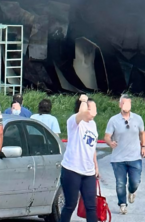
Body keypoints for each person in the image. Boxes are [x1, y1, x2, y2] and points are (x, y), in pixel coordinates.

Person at [104, 94, 145, 215]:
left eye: (128, 103)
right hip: (118, 158)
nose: (125, 105)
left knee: (135, 181)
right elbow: (107, 136)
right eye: (123, 103)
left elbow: (142, 133)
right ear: (120, 105)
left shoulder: (138, 119)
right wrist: (110, 142)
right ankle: (122, 204)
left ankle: (132, 191)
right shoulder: (113, 120)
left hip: (135, 157)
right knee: (120, 183)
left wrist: (143, 146)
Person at [60, 94, 99, 222]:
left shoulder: (93, 125)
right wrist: (83, 100)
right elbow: (81, 113)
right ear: (86, 109)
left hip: (88, 172)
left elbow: (92, 147)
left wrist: (96, 167)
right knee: (70, 205)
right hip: (72, 169)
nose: (95, 111)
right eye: (92, 108)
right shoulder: (74, 121)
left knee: (91, 207)